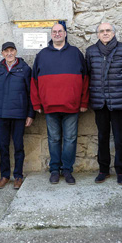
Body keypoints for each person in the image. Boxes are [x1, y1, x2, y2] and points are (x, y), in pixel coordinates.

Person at [31, 22, 89, 185]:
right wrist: (36, 104)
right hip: (50, 107)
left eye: (60, 31)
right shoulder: (42, 55)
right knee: (54, 139)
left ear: (65, 34)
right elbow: (34, 81)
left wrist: (84, 101)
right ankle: (55, 170)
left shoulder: (75, 53)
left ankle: (67, 170)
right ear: (51, 35)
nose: (57, 34)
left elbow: (85, 79)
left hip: (72, 106)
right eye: (54, 32)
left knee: (70, 139)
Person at [86, 22, 122, 185]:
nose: (105, 33)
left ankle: (120, 171)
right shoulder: (91, 52)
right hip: (100, 102)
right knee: (102, 136)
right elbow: (89, 74)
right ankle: (103, 170)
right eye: (102, 31)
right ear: (97, 34)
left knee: (120, 137)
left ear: (114, 33)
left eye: (108, 30)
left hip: (118, 101)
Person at [0, 42, 35, 190]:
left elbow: (31, 93)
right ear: (2, 53)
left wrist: (30, 114)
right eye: (6, 51)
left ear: (16, 51)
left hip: (19, 114)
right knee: (3, 146)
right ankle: (4, 176)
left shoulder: (24, 69)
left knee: (18, 146)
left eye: (11, 50)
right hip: (1, 114)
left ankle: (18, 176)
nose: (9, 53)